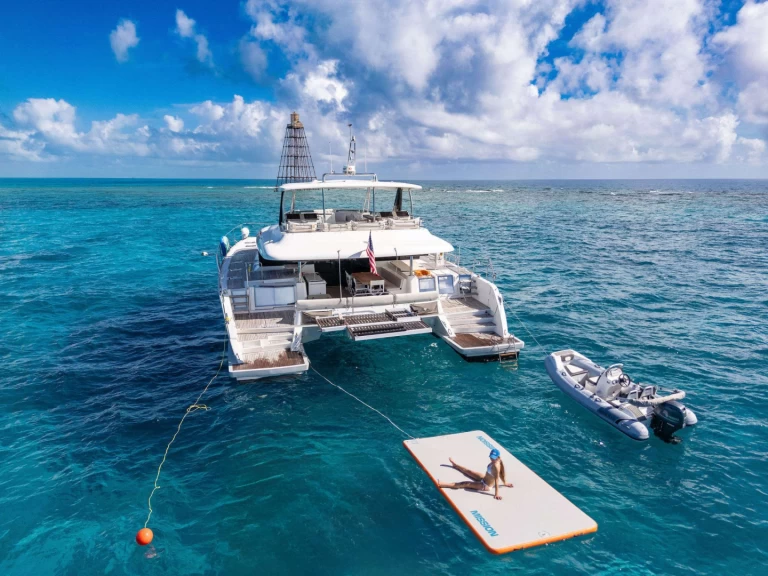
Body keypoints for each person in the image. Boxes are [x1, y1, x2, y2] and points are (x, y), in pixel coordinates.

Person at [438, 449, 513, 500]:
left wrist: (496, 494)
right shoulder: (497, 461)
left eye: (493, 458)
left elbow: (497, 480)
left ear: (498, 457)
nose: (492, 459)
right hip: (484, 478)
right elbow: (502, 473)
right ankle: (455, 465)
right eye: (491, 457)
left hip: (485, 485)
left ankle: (443, 484)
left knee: (465, 483)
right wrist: (505, 483)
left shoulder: (496, 466)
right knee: (469, 471)